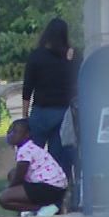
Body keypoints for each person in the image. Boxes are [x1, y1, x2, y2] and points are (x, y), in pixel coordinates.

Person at [22, 18, 77, 165]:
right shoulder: (70, 56)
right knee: (58, 160)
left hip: (40, 111)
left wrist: (25, 115)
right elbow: (77, 82)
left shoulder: (36, 56)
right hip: (62, 113)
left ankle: (32, 185)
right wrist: (71, 60)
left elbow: (27, 88)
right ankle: (56, 186)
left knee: (32, 157)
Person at [0, 118, 68, 217]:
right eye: (9, 131)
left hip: (49, 187)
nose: (11, 134)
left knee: (3, 199)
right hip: (58, 187)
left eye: (15, 132)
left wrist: (8, 188)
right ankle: (47, 207)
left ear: (27, 135)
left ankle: (41, 208)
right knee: (12, 174)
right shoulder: (30, 147)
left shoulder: (25, 150)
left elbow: (19, 177)